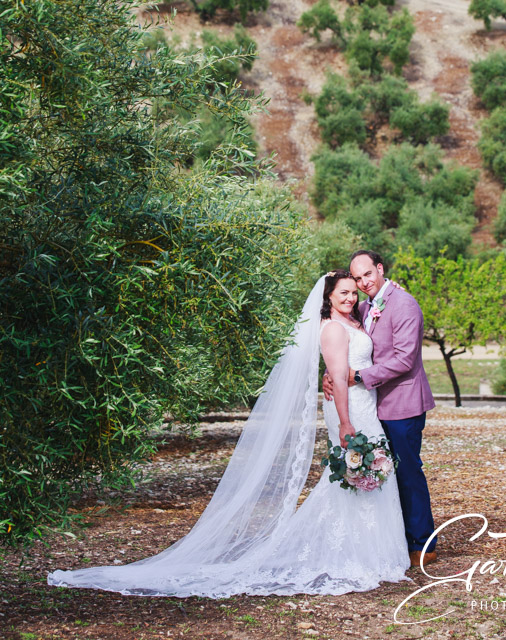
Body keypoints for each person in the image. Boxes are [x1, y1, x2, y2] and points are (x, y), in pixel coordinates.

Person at [48, 271, 410, 597]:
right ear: (327, 297)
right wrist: (346, 422)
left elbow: (350, 366)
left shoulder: (353, 321)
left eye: (353, 293)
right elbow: (339, 377)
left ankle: (363, 549)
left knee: (363, 474)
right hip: (350, 411)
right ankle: (359, 553)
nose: (350, 297)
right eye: (343, 293)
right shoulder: (333, 328)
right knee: (357, 472)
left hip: (362, 404)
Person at [324, 250, 437, 567]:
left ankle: (422, 544)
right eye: (357, 279)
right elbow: (345, 348)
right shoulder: (362, 307)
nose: (362, 282)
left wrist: (357, 376)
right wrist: (329, 377)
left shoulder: (404, 304)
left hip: (403, 403)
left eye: (367, 275)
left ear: (380, 269)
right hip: (373, 406)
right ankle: (392, 540)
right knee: (383, 474)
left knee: (408, 472)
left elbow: (404, 359)